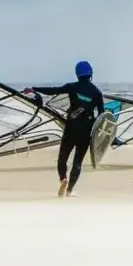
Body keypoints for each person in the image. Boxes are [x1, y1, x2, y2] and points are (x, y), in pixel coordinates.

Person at [23, 60, 106, 197]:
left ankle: (63, 179)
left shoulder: (72, 87)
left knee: (62, 159)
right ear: (90, 74)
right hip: (85, 132)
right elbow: (102, 116)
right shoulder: (97, 93)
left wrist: (34, 89)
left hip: (71, 128)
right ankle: (69, 190)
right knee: (77, 162)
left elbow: (53, 91)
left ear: (77, 74)